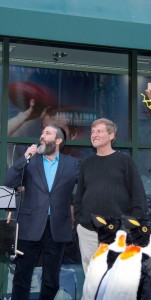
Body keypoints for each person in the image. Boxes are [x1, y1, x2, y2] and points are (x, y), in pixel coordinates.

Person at [4, 124, 80, 300]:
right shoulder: (30, 161)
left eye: (47, 133)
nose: (42, 136)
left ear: (58, 140)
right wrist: (25, 157)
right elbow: (9, 182)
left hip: (57, 227)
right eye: (42, 133)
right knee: (22, 276)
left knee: (51, 279)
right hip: (29, 226)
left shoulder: (72, 164)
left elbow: (86, 188)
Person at [74, 118, 147, 273]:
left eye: (99, 131)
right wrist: (81, 221)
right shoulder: (86, 163)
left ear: (111, 135)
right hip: (88, 231)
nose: (94, 135)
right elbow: (79, 195)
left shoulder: (124, 161)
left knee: (116, 278)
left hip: (118, 232)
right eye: (92, 132)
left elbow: (138, 195)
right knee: (93, 280)